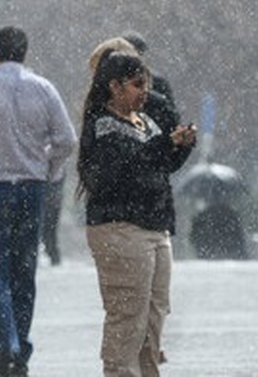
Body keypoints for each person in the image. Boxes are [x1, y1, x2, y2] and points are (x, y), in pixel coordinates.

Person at [77, 50, 196, 377]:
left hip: (155, 228)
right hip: (121, 229)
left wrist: (181, 145)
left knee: (154, 316)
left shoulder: (146, 121)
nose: (145, 92)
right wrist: (161, 146)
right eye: (137, 84)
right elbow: (121, 170)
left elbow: (160, 166)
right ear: (114, 87)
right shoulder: (103, 124)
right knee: (127, 315)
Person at [0, 26, 77, 377]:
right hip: (32, 189)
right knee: (23, 271)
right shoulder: (44, 89)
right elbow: (66, 139)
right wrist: (47, 165)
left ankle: (7, 345)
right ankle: (20, 347)